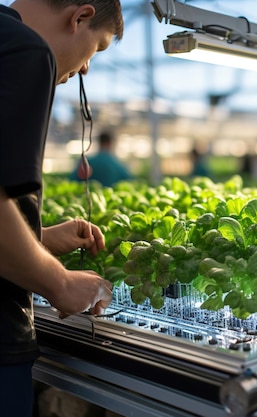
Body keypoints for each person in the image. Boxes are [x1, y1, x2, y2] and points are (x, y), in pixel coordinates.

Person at [0, 1, 123, 415]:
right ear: (79, 17)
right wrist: (60, 284)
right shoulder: (24, 49)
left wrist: (40, 239)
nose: (86, 69)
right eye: (98, 48)